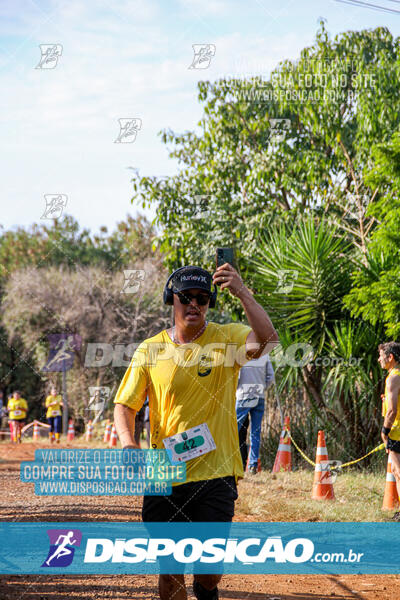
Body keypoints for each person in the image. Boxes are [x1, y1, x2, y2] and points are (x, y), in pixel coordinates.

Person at [114, 263, 278, 600]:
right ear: (170, 299)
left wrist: (243, 292)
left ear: (209, 303)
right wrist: (129, 445)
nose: (193, 304)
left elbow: (268, 341)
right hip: (165, 474)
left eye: (202, 299)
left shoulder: (226, 338)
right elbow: (125, 406)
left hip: (216, 473)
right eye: (185, 297)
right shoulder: (150, 350)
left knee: (208, 573)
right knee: (170, 573)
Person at [236, 354, 275, 474]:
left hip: (243, 396)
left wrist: (236, 391)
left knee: (234, 429)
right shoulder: (264, 355)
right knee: (255, 432)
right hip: (259, 396)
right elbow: (271, 377)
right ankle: (253, 465)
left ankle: (231, 462)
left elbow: (236, 378)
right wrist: (262, 388)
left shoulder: (241, 355)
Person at [378, 341, 400, 519]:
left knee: (398, 471)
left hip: (397, 431)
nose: (379, 360)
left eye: (381, 356)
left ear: (390, 357)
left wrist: (385, 430)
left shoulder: (393, 376)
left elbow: (392, 410)